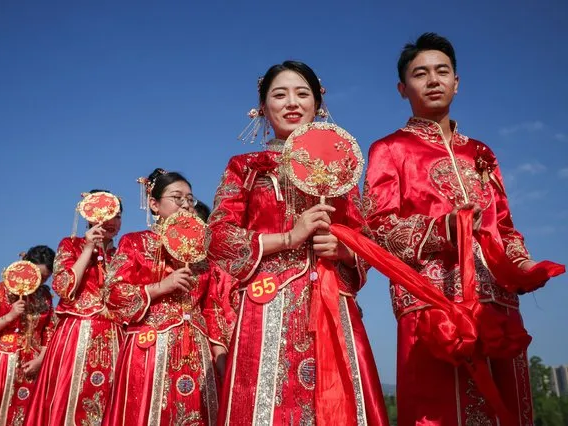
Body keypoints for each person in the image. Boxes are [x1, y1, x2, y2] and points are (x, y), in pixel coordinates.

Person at [364, 33, 540, 425]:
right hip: (432, 303)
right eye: (420, 73)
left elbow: (505, 224)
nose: (433, 80)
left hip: (497, 302)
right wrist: (440, 230)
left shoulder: (480, 152)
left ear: (457, 82)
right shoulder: (389, 149)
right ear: (401, 88)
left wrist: (523, 265)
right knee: (439, 410)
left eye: (442, 71)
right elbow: (376, 226)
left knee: (508, 408)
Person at [206, 61, 388, 425]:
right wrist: (288, 237)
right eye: (280, 94)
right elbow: (218, 238)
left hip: (333, 301)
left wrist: (344, 250)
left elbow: (368, 240)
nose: (292, 102)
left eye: (302, 94)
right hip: (266, 305)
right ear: (262, 107)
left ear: (318, 105)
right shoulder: (246, 167)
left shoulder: (341, 168)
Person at [103, 169, 230, 425]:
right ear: (154, 204)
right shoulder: (136, 243)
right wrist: (161, 287)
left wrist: (221, 360)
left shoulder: (203, 255)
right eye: (176, 197)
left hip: (197, 352)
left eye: (190, 199)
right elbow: (114, 294)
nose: (185, 204)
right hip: (149, 350)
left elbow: (212, 309)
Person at [24, 190, 124, 426]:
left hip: (114, 336)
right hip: (76, 334)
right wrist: (88, 249)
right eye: (105, 214)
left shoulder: (123, 254)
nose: (111, 221)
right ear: (89, 215)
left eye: (117, 215)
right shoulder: (70, 245)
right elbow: (63, 288)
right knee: (69, 397)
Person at [0, 245, 55, 426]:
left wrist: (41, 359)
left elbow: (49, 330)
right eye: (38, 276)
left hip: (31, 365)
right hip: (1, 363)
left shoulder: (45, 296)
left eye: (45, 278)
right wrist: (9, 316)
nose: (40, 282)